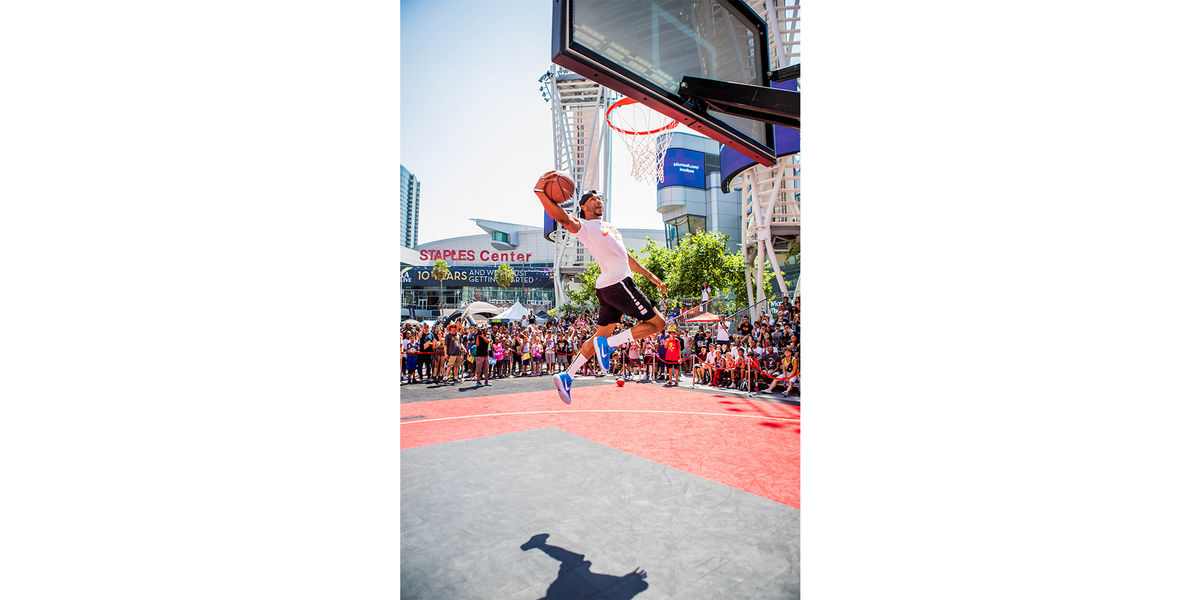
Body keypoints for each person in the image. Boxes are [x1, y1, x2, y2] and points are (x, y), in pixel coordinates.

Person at [534, 175, 667, 404]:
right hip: (619, 283)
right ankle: (610, 344)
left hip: (608, 288)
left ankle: (568, 375)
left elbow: (626, 257)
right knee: (658, 324)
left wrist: (650, 275)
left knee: (599, 336)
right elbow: (560, 216)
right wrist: (540, 191)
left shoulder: (611, 228)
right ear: (583, 208)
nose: (599, 202)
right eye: (593, 200)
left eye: (600, 200)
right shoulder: (584, 226)